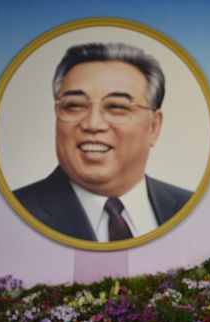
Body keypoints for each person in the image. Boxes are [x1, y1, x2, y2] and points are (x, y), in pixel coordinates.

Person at [13, 42, 193, 242]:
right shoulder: (13, 213)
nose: (93, 123)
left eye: (116, 106)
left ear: (153, 127)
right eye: (74, 106)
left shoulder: (191, 209)